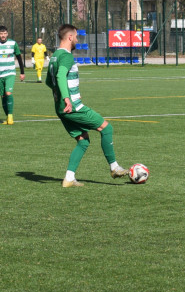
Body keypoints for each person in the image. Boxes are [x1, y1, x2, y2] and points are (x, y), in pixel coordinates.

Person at [46, 23, 127, 188]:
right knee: (106, 128)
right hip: (72, 107)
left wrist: (65, 95)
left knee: (83, 141)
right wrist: (68, 98)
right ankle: (114, 168)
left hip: (61, 108)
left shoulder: (54, 56)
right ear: (69, 37)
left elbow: (49, 81)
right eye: (76, 36)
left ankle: (69, 179)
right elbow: (61, 76)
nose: (77, 39)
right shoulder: (66, 56)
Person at [0, 26, 25, 125]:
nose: (3, 36)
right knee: (3, 96)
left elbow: (19, 58)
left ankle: (10, 116)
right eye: (1, 34)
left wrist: (22, 72)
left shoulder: (13, 43)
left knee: (8, 93)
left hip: (10, 72)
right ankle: (7, 116)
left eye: (4, 33)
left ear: (7, 34)